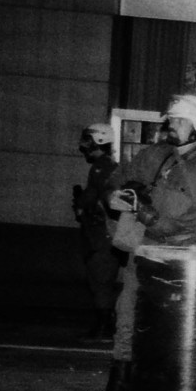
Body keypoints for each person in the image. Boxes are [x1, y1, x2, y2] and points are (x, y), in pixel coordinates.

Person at [96, 95, 196, 391]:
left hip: (181, 258)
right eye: (170, 120)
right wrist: (114, 196)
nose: (170, 125)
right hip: (146, 249)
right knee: (128, 316)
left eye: (178, 120)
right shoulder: (155, 156)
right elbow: (114, 182)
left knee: (175, 328)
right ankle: (119, 385)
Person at [72, 123, 122, 341]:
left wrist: (84, 204)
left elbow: (99, 199)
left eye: (88, 141)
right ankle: (105, 324)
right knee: (100, 279)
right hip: (101, 234)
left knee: (101, 279)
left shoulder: (103, 168)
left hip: (103, 235)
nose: (84, 146)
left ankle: (105, 327)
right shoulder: (104, 166)